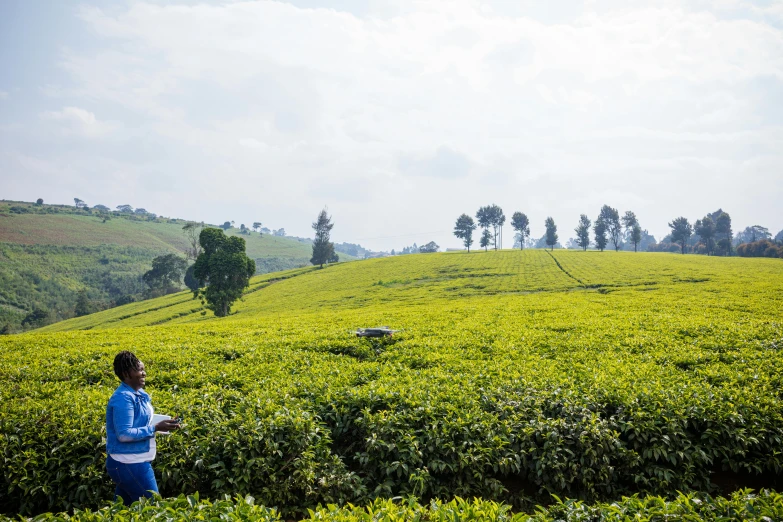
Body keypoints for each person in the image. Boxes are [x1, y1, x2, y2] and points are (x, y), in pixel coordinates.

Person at [105, 351, 180, 505]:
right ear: (127, 374)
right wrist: (154, 428)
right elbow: (124, 434)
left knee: (122, 511)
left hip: (131, 461)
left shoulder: (137, 393)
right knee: (154, 509)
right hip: (129, 463)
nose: (144, 373)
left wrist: (163, 424)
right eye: (139, 370)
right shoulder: (123, 398)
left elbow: (139, 419)